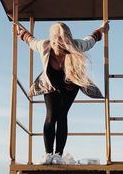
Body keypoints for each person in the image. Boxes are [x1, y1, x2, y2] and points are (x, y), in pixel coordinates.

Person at [17, 21, 109, 164]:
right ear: (52, 42)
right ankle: (48, 154)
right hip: (50, 85)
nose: (60, 48)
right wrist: (19, 31)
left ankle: (58, 155)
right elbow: (31, 41)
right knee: (50, 116)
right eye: (57, 44)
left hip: (71, 84)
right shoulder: (44, 46)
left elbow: (90, 40)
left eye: (64, 44)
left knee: (61, 115)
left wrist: (101, 30)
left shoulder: (76, 45)